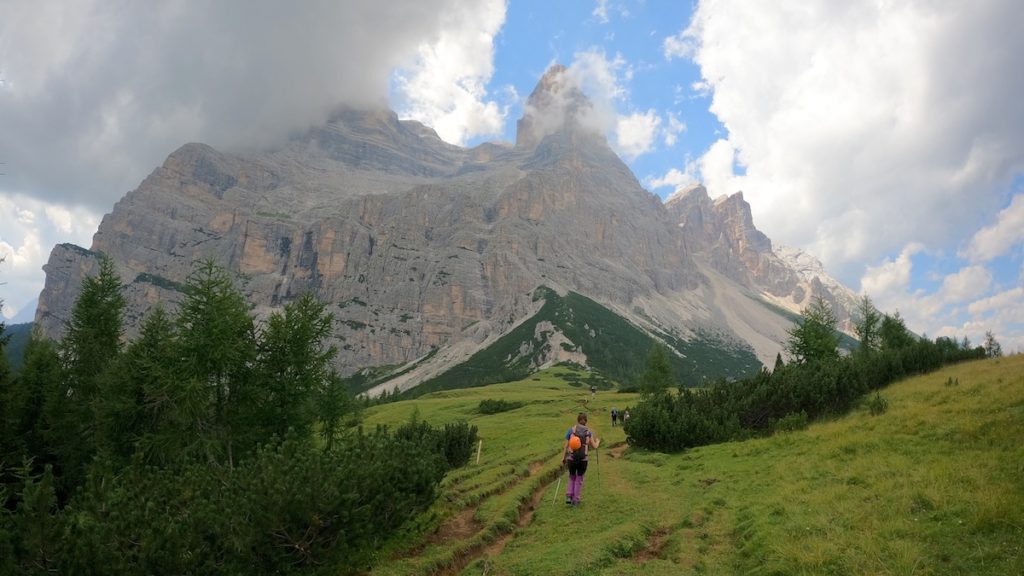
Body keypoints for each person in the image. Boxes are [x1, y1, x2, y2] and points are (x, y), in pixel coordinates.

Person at [562, 412, 600, 505]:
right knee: (579, 479)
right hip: (583, 459)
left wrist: (563, 458)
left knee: (571, 477)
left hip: (571, 458)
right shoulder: (588, 432)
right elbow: (595, 446)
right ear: (586, 421)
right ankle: (576, 499)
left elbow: (566, 446)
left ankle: (569, 496)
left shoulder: (571, 430)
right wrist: (597, 441)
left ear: (577, 420)